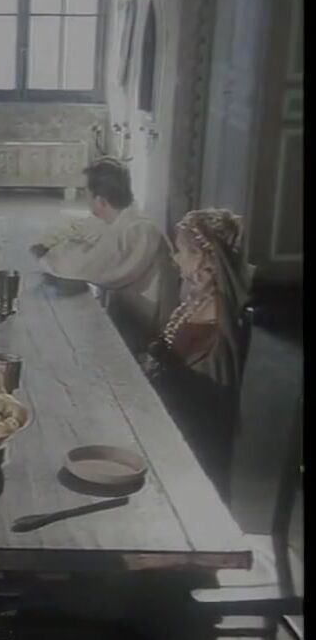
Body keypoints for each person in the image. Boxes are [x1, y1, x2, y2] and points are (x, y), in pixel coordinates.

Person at [140, 208, 249, 501]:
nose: (176, 258)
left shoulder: (214, 315)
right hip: (177, 403)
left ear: (203, 257)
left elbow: (198, 389)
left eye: (181, 251)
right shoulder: (200, 298)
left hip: (192, 425)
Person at [31, 157, 178, 353]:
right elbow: (69, 231)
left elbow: (82, 265)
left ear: (101, 200)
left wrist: (49, 253)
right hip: (126, 316)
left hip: (145, 332)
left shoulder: (139, 230)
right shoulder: (114, 219)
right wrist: (52, 245)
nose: (85, 199)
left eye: (86, 193)